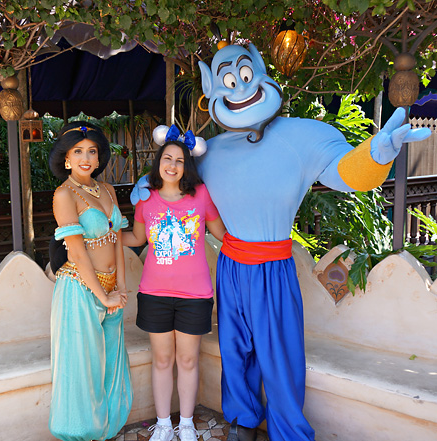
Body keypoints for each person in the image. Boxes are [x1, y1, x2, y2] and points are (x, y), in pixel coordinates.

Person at [132, 42, 431, 441]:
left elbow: (346, 173)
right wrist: (146, 188)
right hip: (230, 267)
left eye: (244, 74)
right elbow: (176, 186)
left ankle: (288, 430)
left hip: (273, 267)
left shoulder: (302, 136)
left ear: (260, 72)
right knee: (236, 350)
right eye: (226, 81)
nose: (238, 87)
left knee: (279, 354)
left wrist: (376, 155)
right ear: (212, 92)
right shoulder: (208, 153)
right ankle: (241, 420)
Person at [123, 128, 226, 441]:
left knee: (188, 359)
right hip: (154, 294)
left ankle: (186, 423)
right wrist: (101, 235)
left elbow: (223, 235)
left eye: (179, 160)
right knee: (163, 360)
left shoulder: (202, 195)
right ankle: (164, 424)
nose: (172, 165)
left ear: (186, 166)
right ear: (158, 163)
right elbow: (137, 239)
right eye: (167, 158)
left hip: (195, 295)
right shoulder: (146, 199)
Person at [48, 121, 133, 441]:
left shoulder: (108, 190)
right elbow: (78, 253)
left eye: (92, 151)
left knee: (111, 365)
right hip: (80, 289)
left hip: (111, 288)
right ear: (66, 158)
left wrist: (120, 287)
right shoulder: (63, 194)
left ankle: (107, 430)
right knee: (82, 370)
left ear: (100, 159)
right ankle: (81, 433)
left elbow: (116, 240)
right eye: (78, 151)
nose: (86, 157)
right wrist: (103, 295)